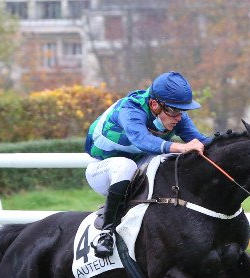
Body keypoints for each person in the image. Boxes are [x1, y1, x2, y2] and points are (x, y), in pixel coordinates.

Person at [85, 71, 212, 258]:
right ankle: (106, 233)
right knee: (126, 166)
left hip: (138, 162)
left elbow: (201, 141)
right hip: (102, 169)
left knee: (170, 161)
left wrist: (238, 143)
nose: (179, 117)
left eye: (182, 111)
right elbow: (142, 140)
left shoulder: (173, 114)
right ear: (154, 104)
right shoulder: (130, 109)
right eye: (174, 111)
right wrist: (181, 147)